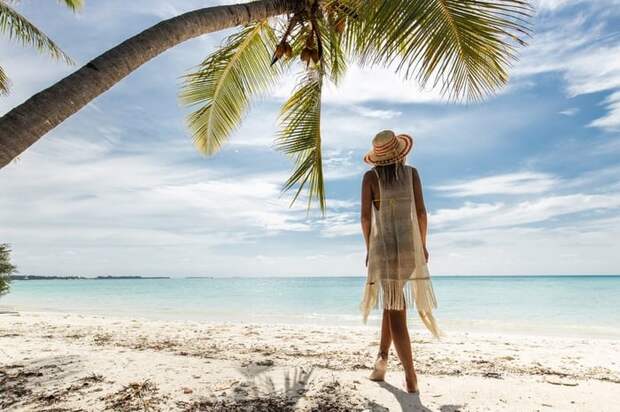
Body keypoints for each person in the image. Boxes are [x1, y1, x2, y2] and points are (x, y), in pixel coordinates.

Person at [359, 130, 441, 394]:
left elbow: (365, 219)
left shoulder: (370, 178)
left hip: (383, 249)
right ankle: (381, 360)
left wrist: (368, 250)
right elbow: (420, 212)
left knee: (395, 309)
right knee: (393, 302)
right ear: (399, 152)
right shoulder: (411, 174)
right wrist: (423, 245)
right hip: (408, 249)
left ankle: (410, 374)